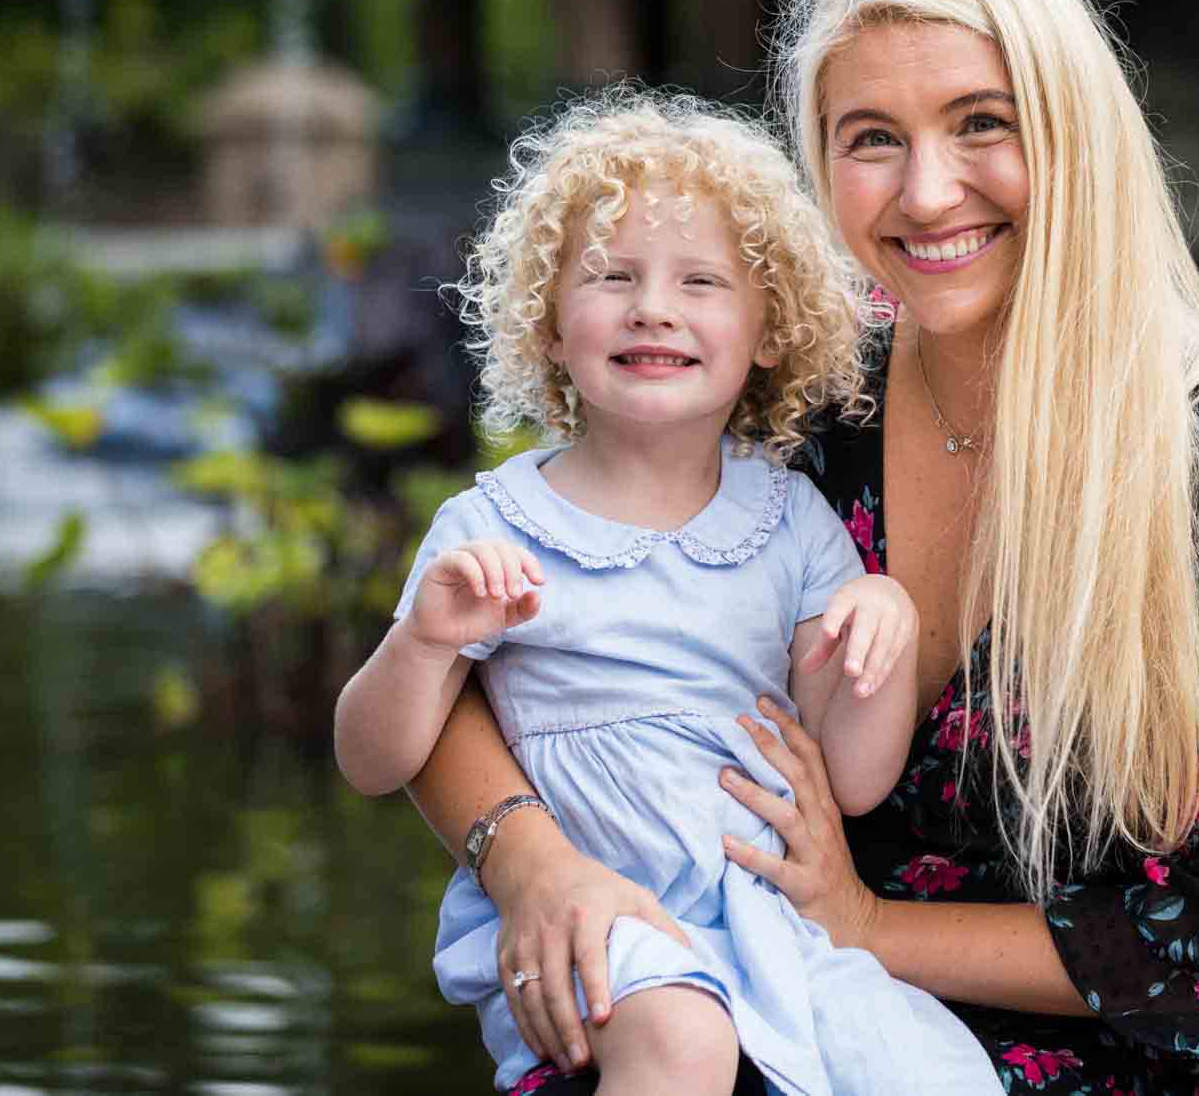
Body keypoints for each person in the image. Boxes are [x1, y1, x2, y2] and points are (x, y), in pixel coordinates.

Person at [405, 0, 1199, 1096]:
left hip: (1089, 1058)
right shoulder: (790, 394)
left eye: (980, 124)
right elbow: (469, 661)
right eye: (870, 139)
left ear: (1074, 138)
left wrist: (867, 924)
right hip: (733, 993)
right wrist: (530, 862)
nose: (927, 190)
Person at [333, 89, 1001, 1096]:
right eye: (611, 277)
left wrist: (886, 629)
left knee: (932, 1069)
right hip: (597, 919)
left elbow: (855, 779)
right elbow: (370, 759)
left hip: (762, 916)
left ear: (769, 331)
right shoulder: (495, 528)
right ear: (549, 323)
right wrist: (424, 643)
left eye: (700, 282)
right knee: (682, 1040)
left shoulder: (789, 525)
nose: (654, 306)